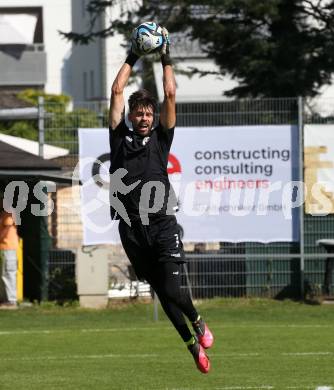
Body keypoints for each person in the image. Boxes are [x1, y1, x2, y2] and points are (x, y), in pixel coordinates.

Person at [108, 27, 214, 373]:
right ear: (131, 115)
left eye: (148, 114)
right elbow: (116, 90)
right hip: (131, 228)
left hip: (162, 222)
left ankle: (197, 320)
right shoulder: (119, 138)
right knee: (161, 293)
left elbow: (170, 94)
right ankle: (191, 349)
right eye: (139, 112)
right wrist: (134, 53)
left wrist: (165, 52)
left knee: (173, 287)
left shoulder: (160, 139)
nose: (144, 117)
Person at [0, 190, 19, 309]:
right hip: (4, 248)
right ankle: (5, 299)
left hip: (9, 248)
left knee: (9, 273)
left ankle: (11, 301)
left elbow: (6, 230)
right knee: (3, 274)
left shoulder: (9, 213)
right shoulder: (4, 213)